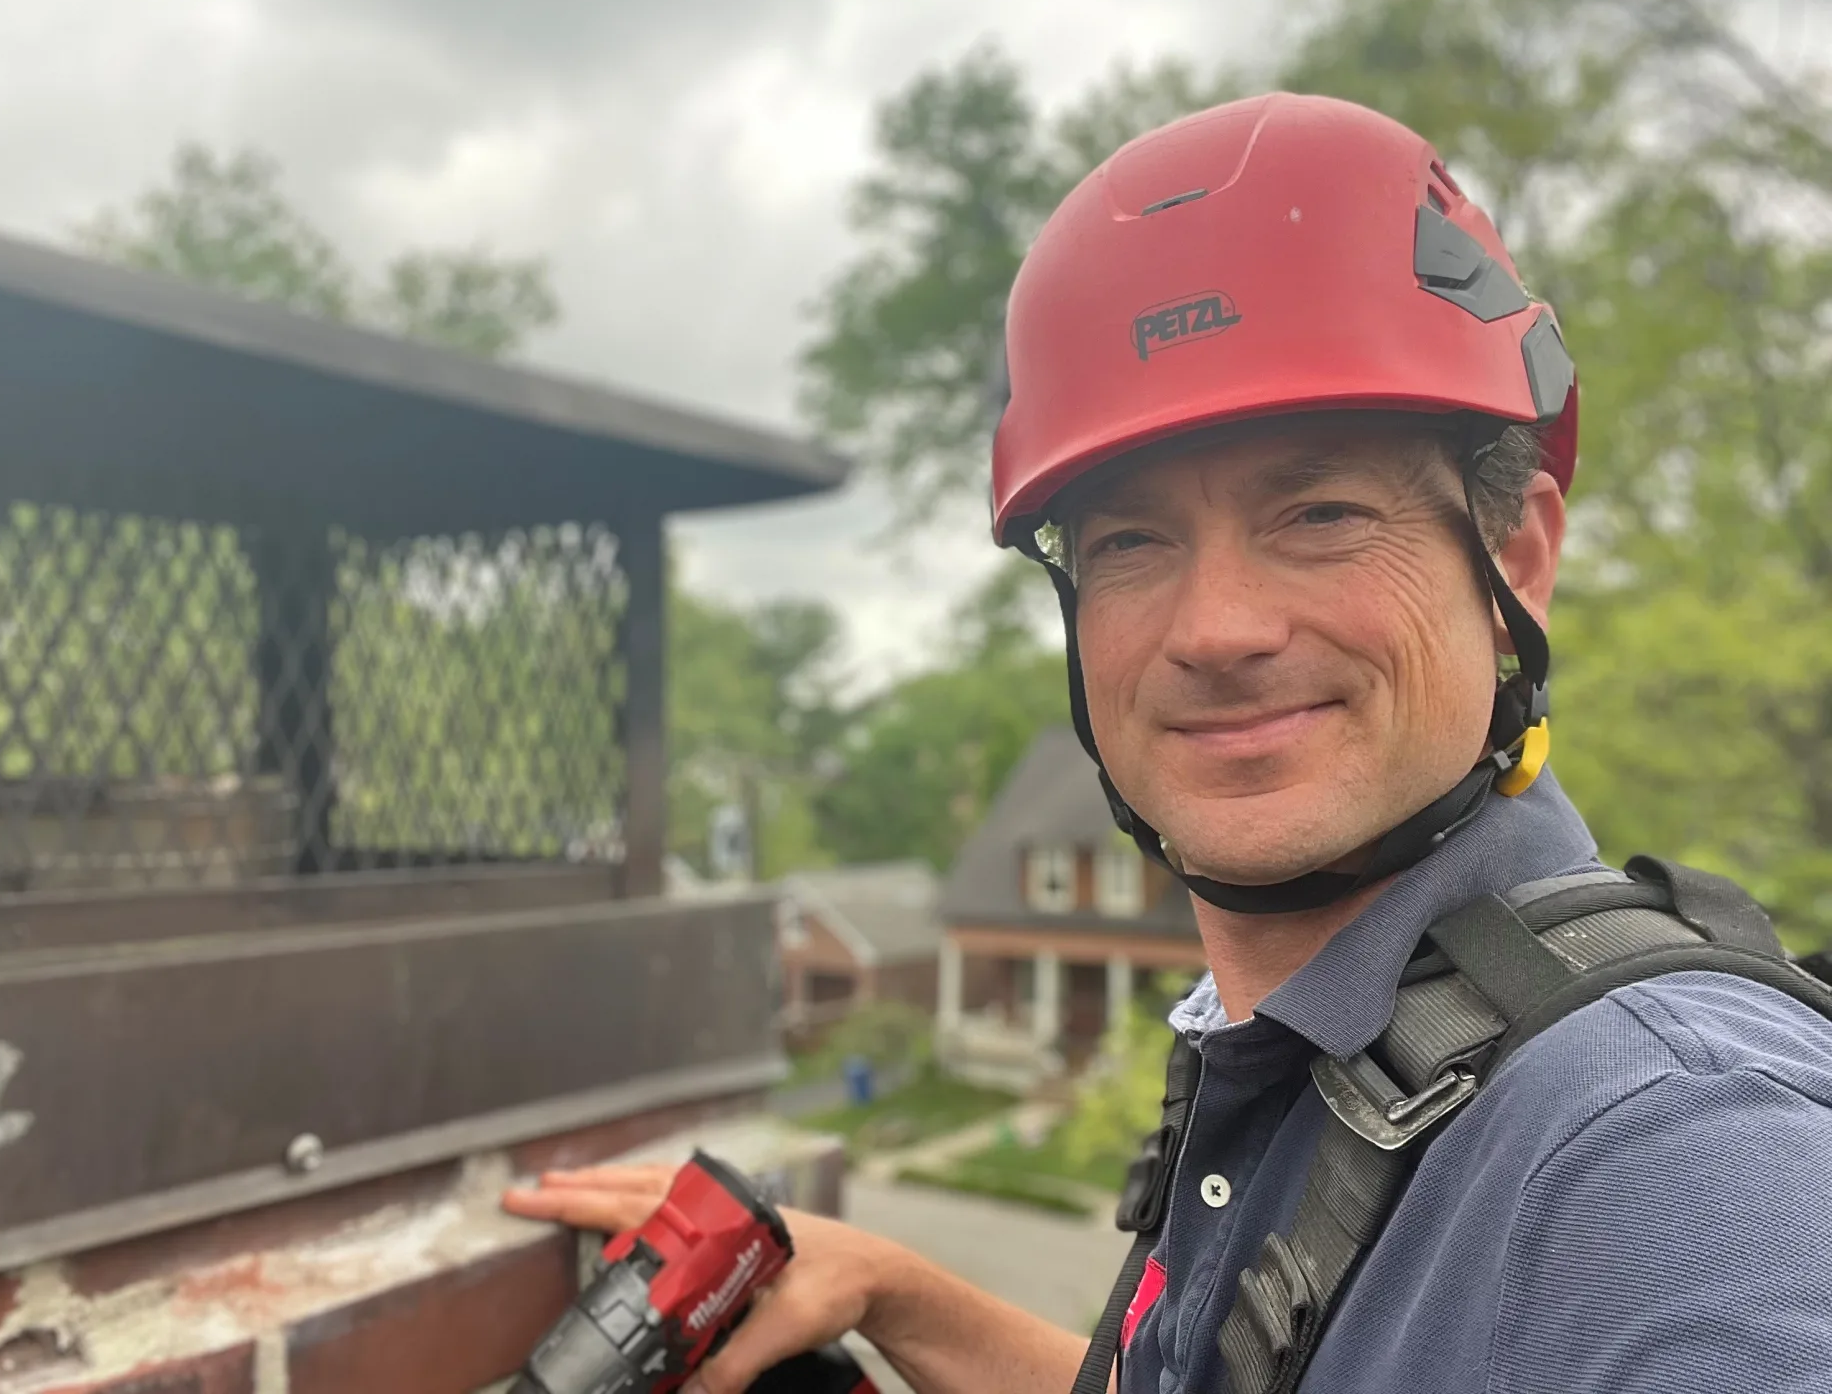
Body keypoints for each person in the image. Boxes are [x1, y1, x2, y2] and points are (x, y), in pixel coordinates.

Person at [504, 94, 1832, 1393]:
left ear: (1518, 556)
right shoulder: (1345, 1062)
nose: (1216, 628)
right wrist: (903, 1294)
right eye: (1133, 541)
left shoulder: (1667, 1159)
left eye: (1317, 511)